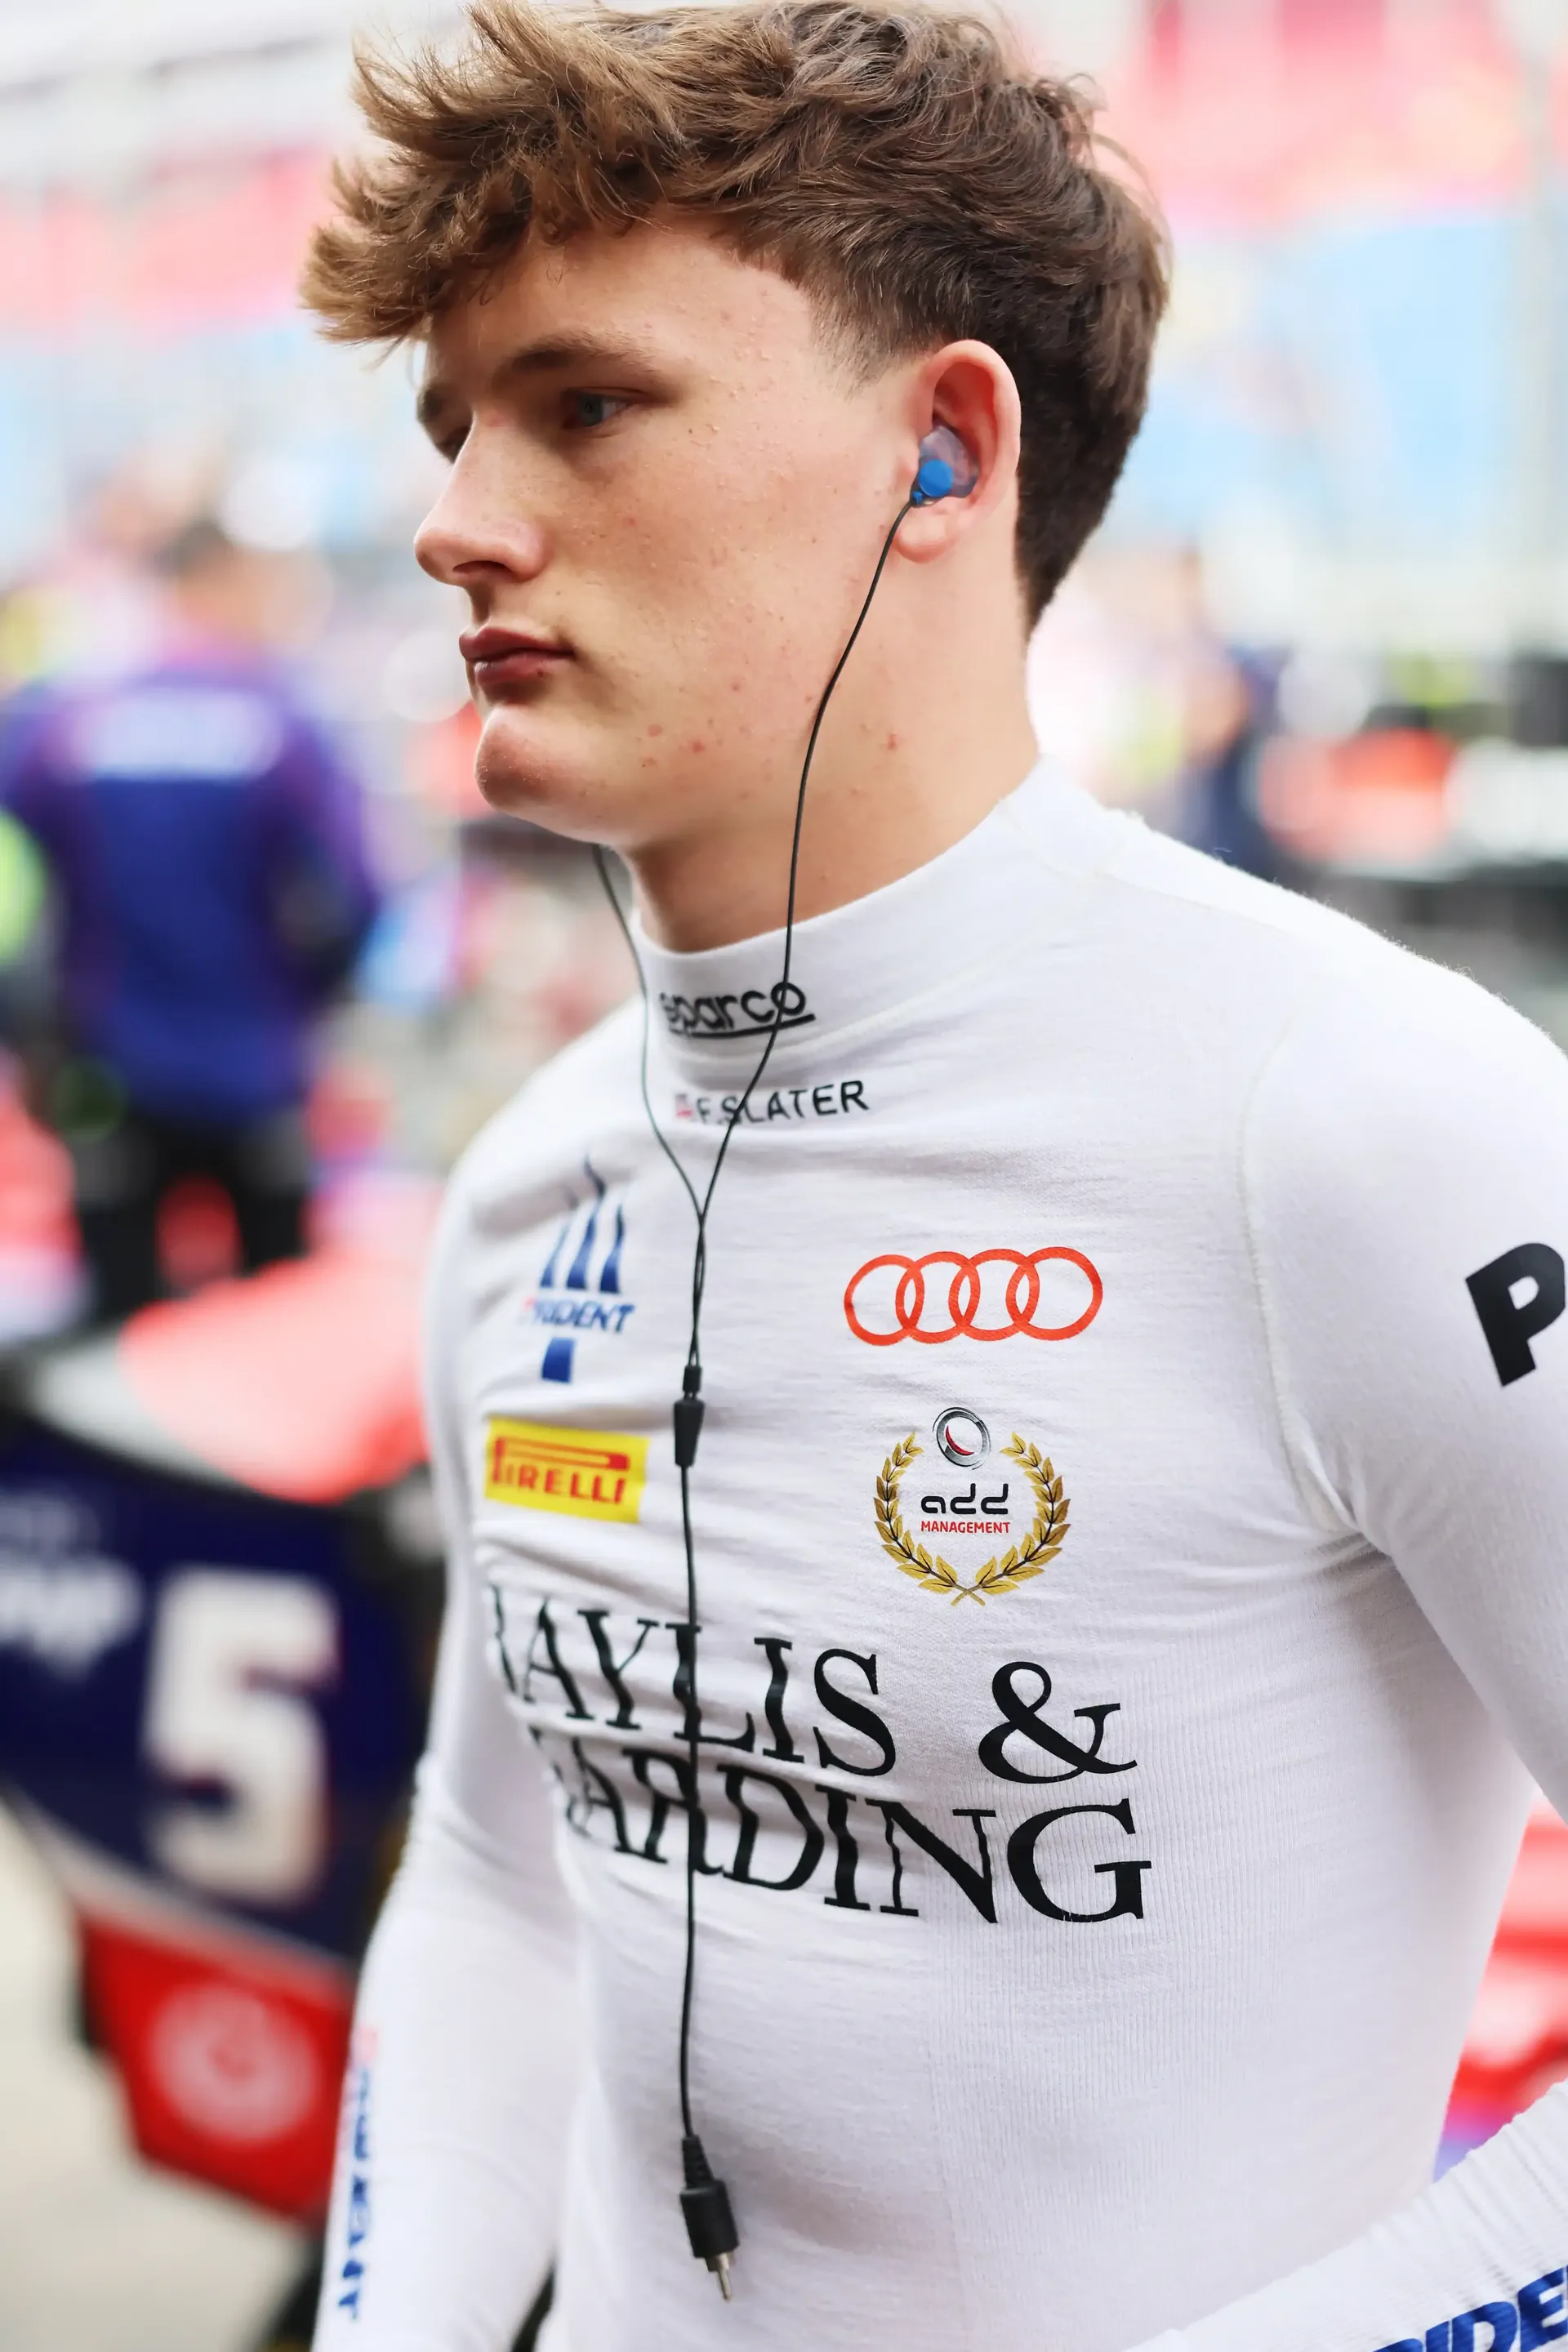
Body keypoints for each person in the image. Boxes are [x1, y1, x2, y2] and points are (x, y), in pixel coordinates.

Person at [303, 7, 1568, 2349]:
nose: (456, 514)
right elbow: (495, 1884)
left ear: (945, 449)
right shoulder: (528, 1184)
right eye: (453, 418)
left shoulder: (1369, 1122)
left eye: (585, 403)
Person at [0, 519, 381, 1320]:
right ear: (222, 580)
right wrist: (312, 1002)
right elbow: (354, 891)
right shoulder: (282, 720)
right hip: (258, 1070)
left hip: (110, 1069)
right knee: (275, 1323)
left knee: (118, 1328)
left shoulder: (67, 718)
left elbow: (23, 865)